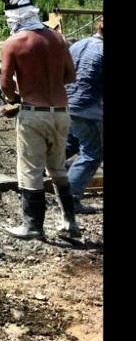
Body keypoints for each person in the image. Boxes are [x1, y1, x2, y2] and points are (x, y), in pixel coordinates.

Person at [0, 0, 78, 240]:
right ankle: (69, 223)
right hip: (61, 112)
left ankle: (33, 226)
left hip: (34, 113)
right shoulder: (57, 38)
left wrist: (14, 98)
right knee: (58, 169)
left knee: (31, 170)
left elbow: (5, 83)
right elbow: (70, 76)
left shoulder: (13, 43)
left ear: (12, 18)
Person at [65, 17, 104, 213]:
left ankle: (42, 175)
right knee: (93, 153)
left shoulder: (78, 45)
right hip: (88, 109)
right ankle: (71, 198)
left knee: (70, 143)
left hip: (67, 103)